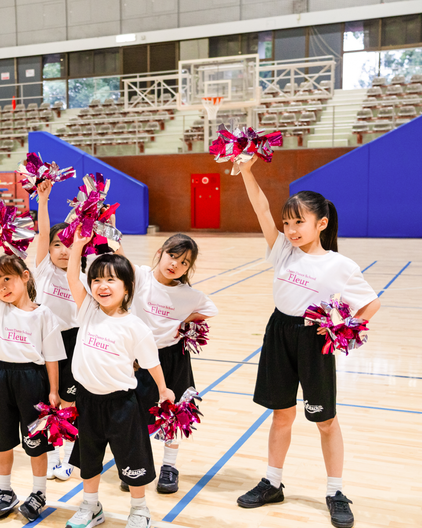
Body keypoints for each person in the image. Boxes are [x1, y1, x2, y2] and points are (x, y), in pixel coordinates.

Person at [236, 158, 380, 528]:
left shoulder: (340, 265)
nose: (290, 229)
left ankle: (335, 491)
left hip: (314, 341)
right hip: (279, 333)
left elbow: (370, 304)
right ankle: (272, 483)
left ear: (322, 223)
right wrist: (247, 171)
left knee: (325, 420)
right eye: (287, 222)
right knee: (281, 413)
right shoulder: (282, 250)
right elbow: (261, 208)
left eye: (299, 222)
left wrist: (343, 329)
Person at [64, 233, 175, 528]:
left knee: (132, 458)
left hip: (122, 405)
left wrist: (163, 389)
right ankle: (90, 507)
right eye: (97, 279)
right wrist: (78, 245)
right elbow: (72, 277)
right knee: (88, 459)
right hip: (87, 402)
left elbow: (151, 362)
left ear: (127, 287)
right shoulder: (88, 310)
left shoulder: (135, 326)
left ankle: (139, 510)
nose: (102, 286)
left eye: (111, 280)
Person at [0, 233, 66, 522]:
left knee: (35, 442)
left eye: (7, 279)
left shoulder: (44, 314)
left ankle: (38, 492)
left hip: (32, 380)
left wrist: (54, 391)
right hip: (1, 377)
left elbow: (52, 357)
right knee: (2, 439)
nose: (2, 287)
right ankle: (4, 490)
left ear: (25, 276)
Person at [125, 233, 218, 494]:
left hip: (173, 357)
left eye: (184, 262)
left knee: (175, 411)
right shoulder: (141, 276)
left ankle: (169, 466)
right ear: (160, 252)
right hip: (139, 359)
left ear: (188, 269)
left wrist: (182, 321)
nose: (175, 264)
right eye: (172, 256)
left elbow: (210, 309)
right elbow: (119, 256)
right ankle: (139, 463)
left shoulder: (188, 294)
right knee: (136, 412)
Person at [32, 179, 85, 481]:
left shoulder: (83, 274)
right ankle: (53, 456)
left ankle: (72, 455)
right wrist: (43, 201)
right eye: (57, 245)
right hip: (44, 341)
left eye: (69, 244)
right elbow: (43, 231)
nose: (63, 250)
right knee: (46, 399)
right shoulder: (43, 269)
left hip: (73, 340)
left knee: (69, 401)